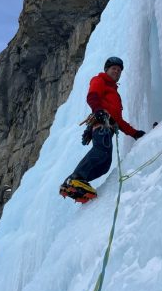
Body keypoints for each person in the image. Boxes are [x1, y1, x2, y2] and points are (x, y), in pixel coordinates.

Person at [60, 56, 145, 202]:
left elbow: (119, 121)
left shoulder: (114, 93)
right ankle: (76, 178)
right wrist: (98, 110)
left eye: (119, 70)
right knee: (101, 152)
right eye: (114, 69)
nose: (116, 72)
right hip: (102, 125)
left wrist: (135, 133)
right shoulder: (99, 80)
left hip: (109, 127)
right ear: (107, 70)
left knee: (105, 165)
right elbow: (92, 96)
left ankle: (76, 184)